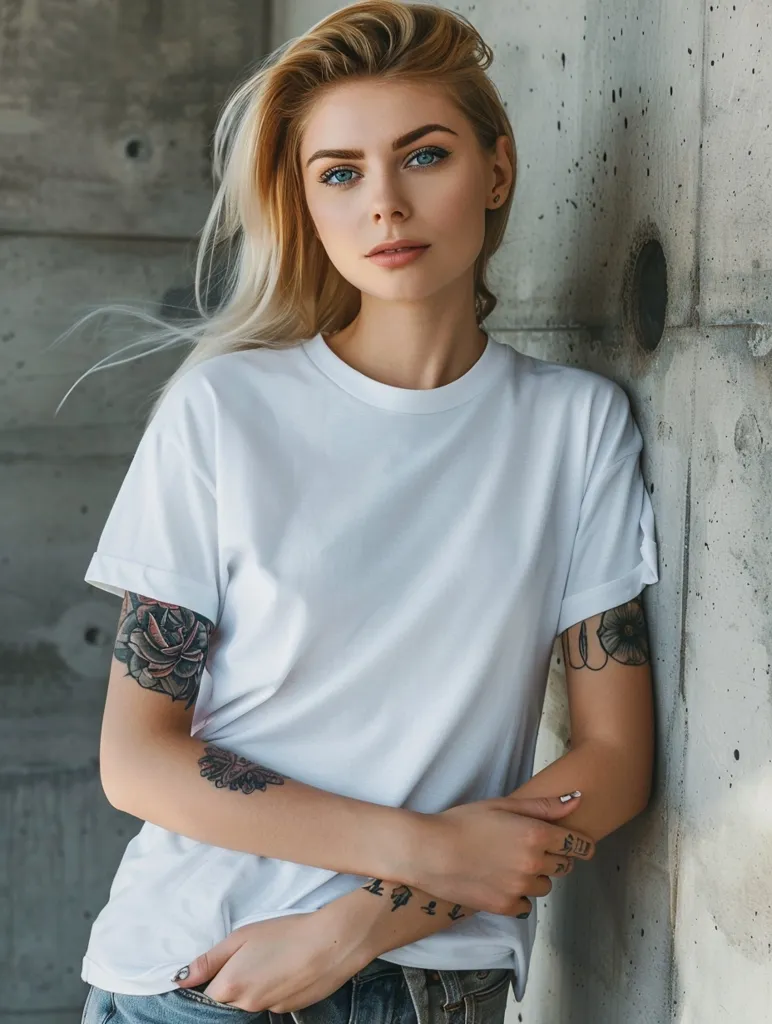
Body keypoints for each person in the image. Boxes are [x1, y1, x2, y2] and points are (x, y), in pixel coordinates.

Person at [76, 3, 659, 1023]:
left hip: (441, 978)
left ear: (497, 169)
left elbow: (612, 762)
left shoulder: (576, 426)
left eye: (422, 156)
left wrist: (358, 923)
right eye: (339, 172)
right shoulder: (224, 410)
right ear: (303, 204)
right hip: (206, 973)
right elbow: (137, 756)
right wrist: (429, 851)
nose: (383, 203)